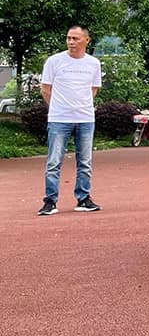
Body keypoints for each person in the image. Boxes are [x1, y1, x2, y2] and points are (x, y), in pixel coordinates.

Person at [37, 26, 103, 216]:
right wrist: (57, 107)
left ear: (86, 40)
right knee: (54, 161)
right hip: (59, 119)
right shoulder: (54, 61)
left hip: (85, 118)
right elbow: (45, 89)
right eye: (68, 38)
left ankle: (83, 198)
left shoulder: (93, 63)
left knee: (85, 161)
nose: (71, 42)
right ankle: (50, 201)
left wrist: (81, 105)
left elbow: (93, 89)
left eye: (75, 38)